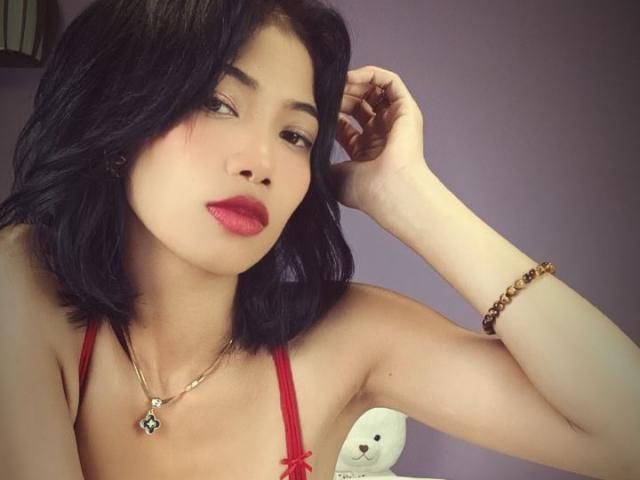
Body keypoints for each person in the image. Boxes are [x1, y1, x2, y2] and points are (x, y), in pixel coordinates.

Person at [1, 1, 638, 479]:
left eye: (295, 136)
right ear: (118, 121)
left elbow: (627, 435)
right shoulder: (24, 285)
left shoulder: (350, 337)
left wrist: (410, 198)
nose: (261, 163)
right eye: (218, 103)